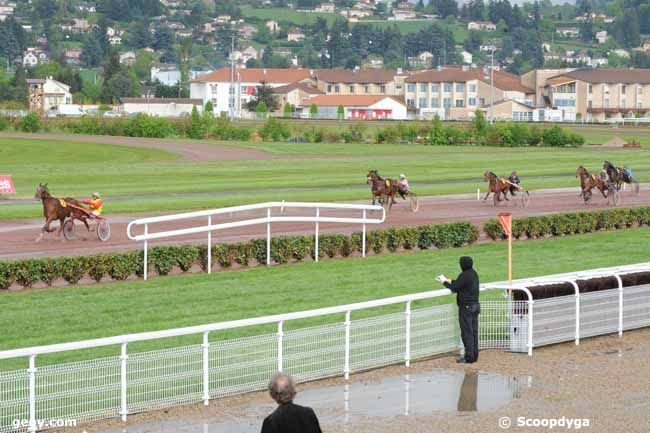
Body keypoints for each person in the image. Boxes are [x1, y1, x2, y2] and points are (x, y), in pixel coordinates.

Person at [441, 256, 480, 364]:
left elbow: (455, 287)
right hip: (475, 306)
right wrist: (451, 280)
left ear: (462, 264)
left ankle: (469, 357)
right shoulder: (473, 273)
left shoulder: (464, 275)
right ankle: (474, 356)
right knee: (474, 332)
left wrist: (444, 282)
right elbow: (460, 284)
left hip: (466, 308)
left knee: (467, 333)